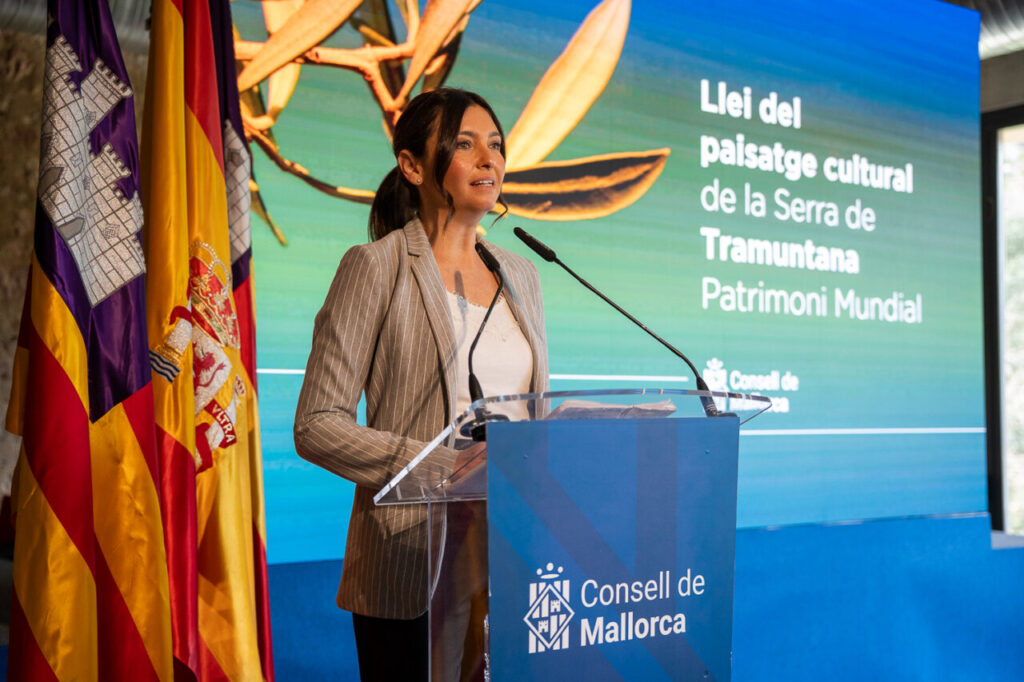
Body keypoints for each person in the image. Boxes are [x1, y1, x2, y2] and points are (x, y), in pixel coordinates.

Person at [294, 88, 549, 682]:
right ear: (412, 165)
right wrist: (438, 466)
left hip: (508, 557)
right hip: (408, 562)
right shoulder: (374, 266)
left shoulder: (523, 274)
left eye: (496, 145)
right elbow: (316, 424)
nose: (490, 161)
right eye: (464, 145)